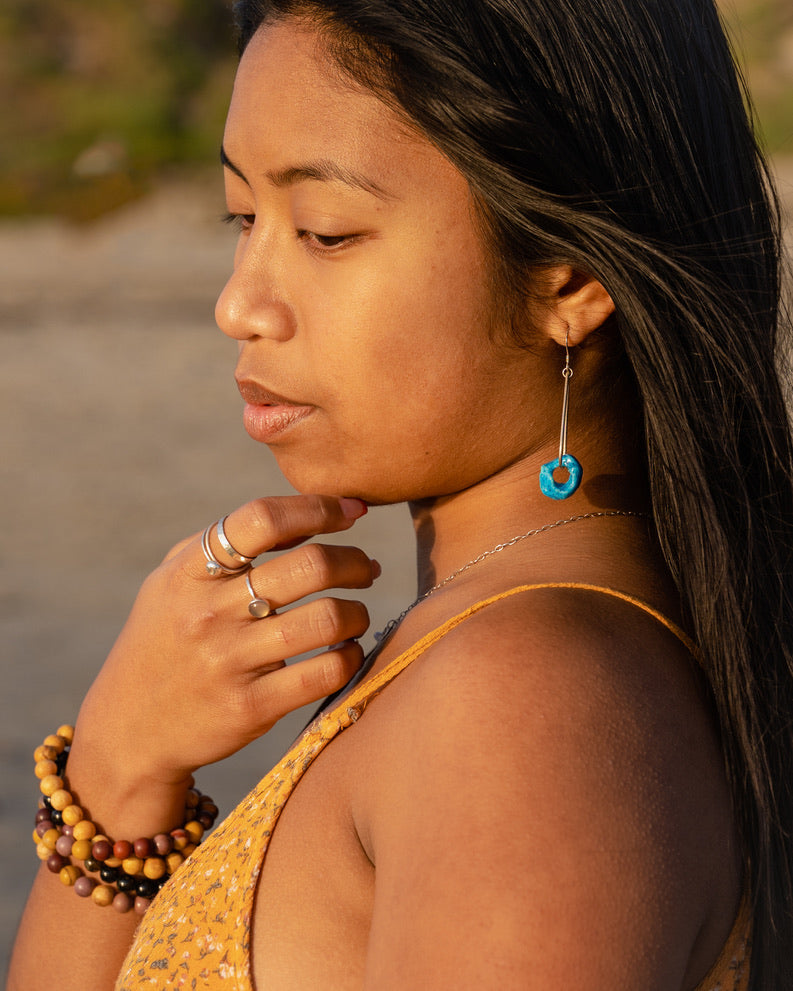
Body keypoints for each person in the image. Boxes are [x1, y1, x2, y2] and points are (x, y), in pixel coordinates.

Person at [9, 0, 793, 987]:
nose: (238, 301)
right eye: (242, 218)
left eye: (325, 232)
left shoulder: (520, 699)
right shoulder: (495, 651)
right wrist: (121, 770)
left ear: (566, 281)